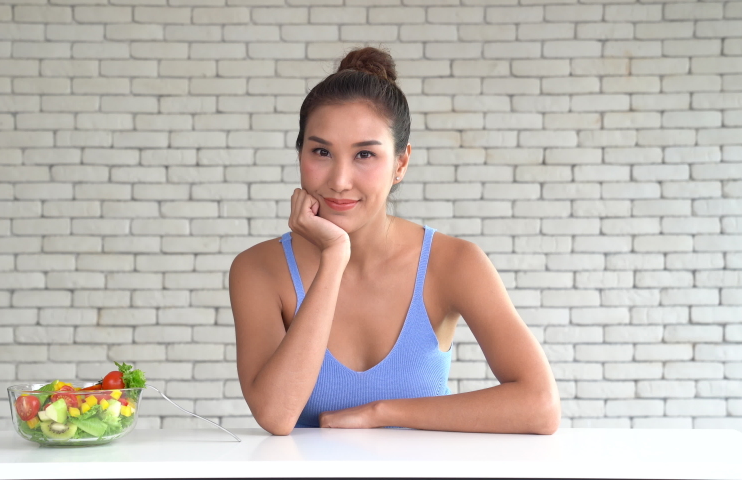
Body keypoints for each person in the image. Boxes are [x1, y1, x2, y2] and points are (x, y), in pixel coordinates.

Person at [229, 46, 561, 436]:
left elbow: (540, 406)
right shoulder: (258, 270)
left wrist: (379, 412)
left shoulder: (454, 262)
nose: (339, 180)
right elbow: (276, 415)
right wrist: (334, 257)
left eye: (364, 155)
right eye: (321, 151)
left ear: (400, 164)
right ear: (300, 152)